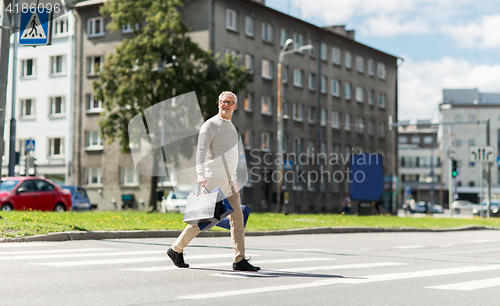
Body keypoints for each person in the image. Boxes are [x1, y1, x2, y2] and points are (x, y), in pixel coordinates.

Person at [167, 91, 260, 272]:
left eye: (230, 102)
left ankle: (239, 259)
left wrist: (236, 178)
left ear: (235, 106)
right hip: (213, 179)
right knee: (202, 221)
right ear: (218, 104)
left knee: (238, 220)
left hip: (230, 181)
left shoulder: (232, 127)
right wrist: (200, 175)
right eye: (223, 102)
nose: (226, 105)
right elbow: (200, 153)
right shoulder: (210, 125)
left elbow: (233, 156)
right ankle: (175, 249)